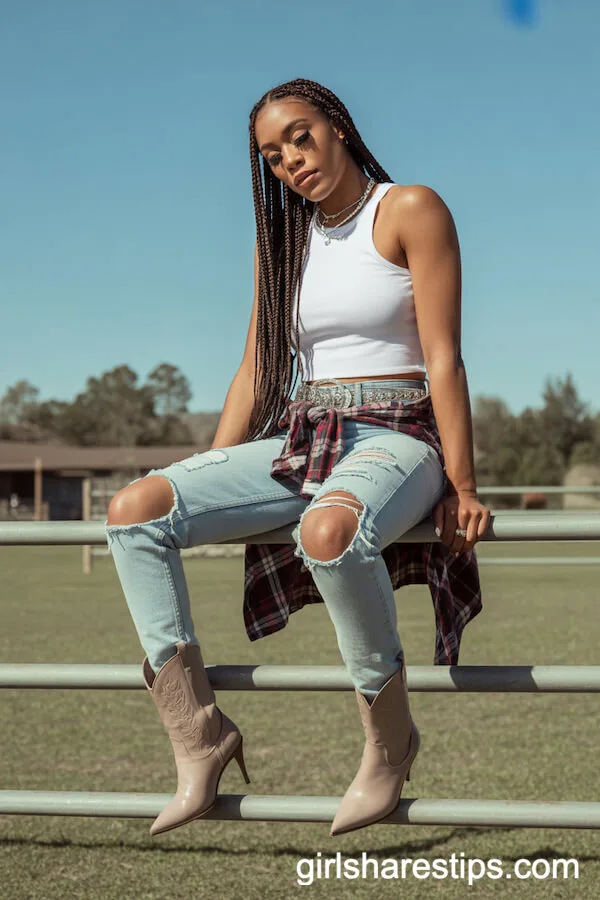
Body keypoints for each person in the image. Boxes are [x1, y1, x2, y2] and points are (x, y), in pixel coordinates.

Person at [105, 77, 491, 839]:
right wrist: (204, 475)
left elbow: (444, 356)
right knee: (135, 510)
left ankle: (390, 743)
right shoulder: (281, 243)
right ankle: (199, 737)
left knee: (330, 533)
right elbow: (255, 368)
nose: (290, 161)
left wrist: (463, 482)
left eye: (301, 137)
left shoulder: (408, 208)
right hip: (300, 433)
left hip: (398, 435)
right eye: (273, 156)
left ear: (338, 128)